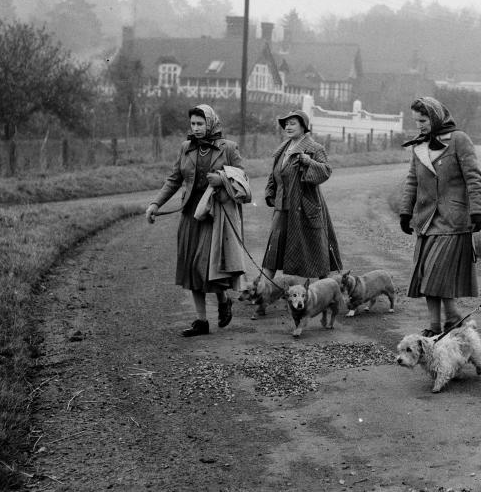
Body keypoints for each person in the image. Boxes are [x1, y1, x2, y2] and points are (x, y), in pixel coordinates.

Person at [146, 104, 252, 337]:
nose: (196, 128)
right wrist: (155, 204)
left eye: (200, 124)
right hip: (190, 214)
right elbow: (174, 179)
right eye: (193, 124)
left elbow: (243, 181)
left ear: (211, 123)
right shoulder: (185, 148)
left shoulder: (229, 148)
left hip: (215, 215)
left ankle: (223, 299)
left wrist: (222, 179)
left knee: (203, 264)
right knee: (191, 267)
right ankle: (201, 321)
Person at [399, 96, 481, 337]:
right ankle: (437, 325)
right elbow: (412, 181)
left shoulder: (459, 140)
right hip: (426, 221)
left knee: (436, 274)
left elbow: (473, 177)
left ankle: (453, 318)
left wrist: (477, 210)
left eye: (424, 120)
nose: (420, 125)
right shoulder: (419, 146)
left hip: (454, 220)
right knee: (426, 274)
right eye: (416, 121)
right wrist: (406, 212)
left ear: (436, 117)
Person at [261, 110, 342, 281]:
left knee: (316, 252)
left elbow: (326, 171)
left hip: (306, 208)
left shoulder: (314, 148)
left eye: (292, 123)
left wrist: (309, 162)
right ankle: (262, 290)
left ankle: (327, 292)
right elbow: (275, 174)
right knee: (273, 251)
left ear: (303, 127)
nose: (288, 127)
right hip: (282, 208)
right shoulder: (283, 149)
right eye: (286, 124)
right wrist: (270, 193)